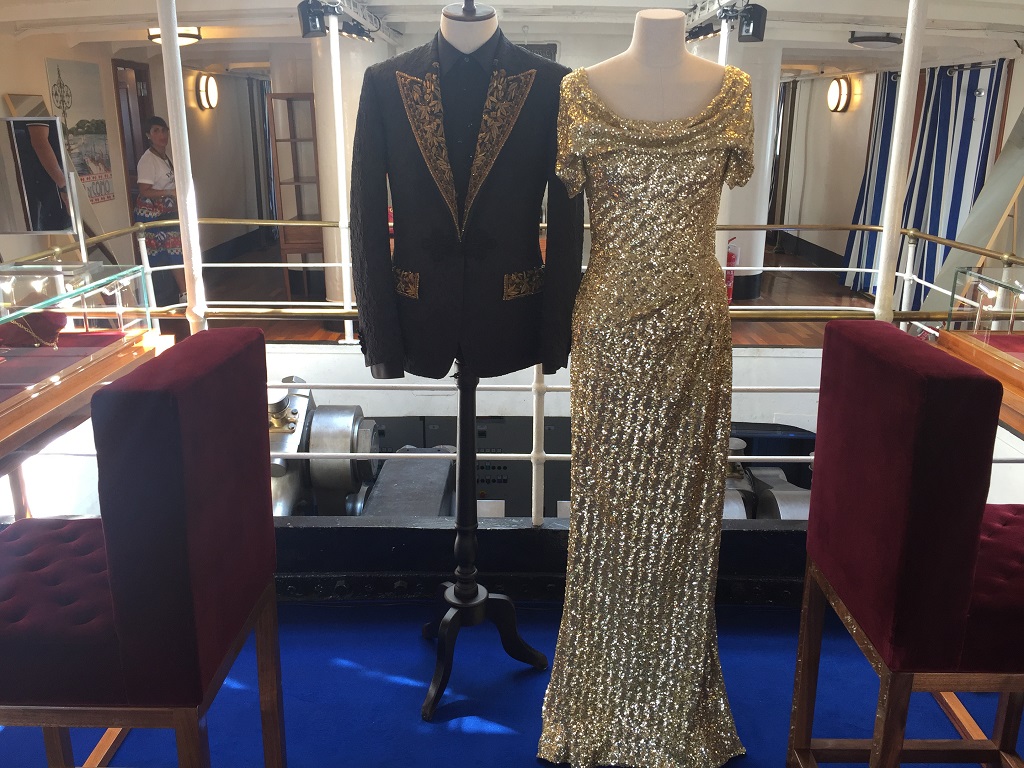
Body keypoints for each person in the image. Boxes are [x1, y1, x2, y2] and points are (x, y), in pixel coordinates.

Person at [538, 9, 754, 768]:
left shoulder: (733, 90)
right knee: (607, 516)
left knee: (685, 518)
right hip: (610, 333)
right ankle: (599, 697)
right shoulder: (578, 92)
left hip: (694, 330)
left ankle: (674, 696)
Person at [349, 1, 584, 380]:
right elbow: (365, 217)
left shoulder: (552, 84)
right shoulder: (384, 81)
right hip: (416, 317)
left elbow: (567, 223)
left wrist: (555, 337)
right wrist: (380, 341)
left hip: (513, 316)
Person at [133, 116, 185, 302]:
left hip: (168, 211)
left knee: (176, 250)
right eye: (156, 131)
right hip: (154, 214)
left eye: (164, 130)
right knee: (173, 250)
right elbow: (144, 190)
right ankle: (183, 294)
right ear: (148, 135)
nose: (162, 135)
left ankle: (181, 292)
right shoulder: (148, 160)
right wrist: (170, 192)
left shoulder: (164, 156)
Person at [13, 119, 72, 232]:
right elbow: (40, 143)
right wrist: (64, 187)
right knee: (53, 225)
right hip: (43, 180)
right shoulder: (38, 113)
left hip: (51, 179)